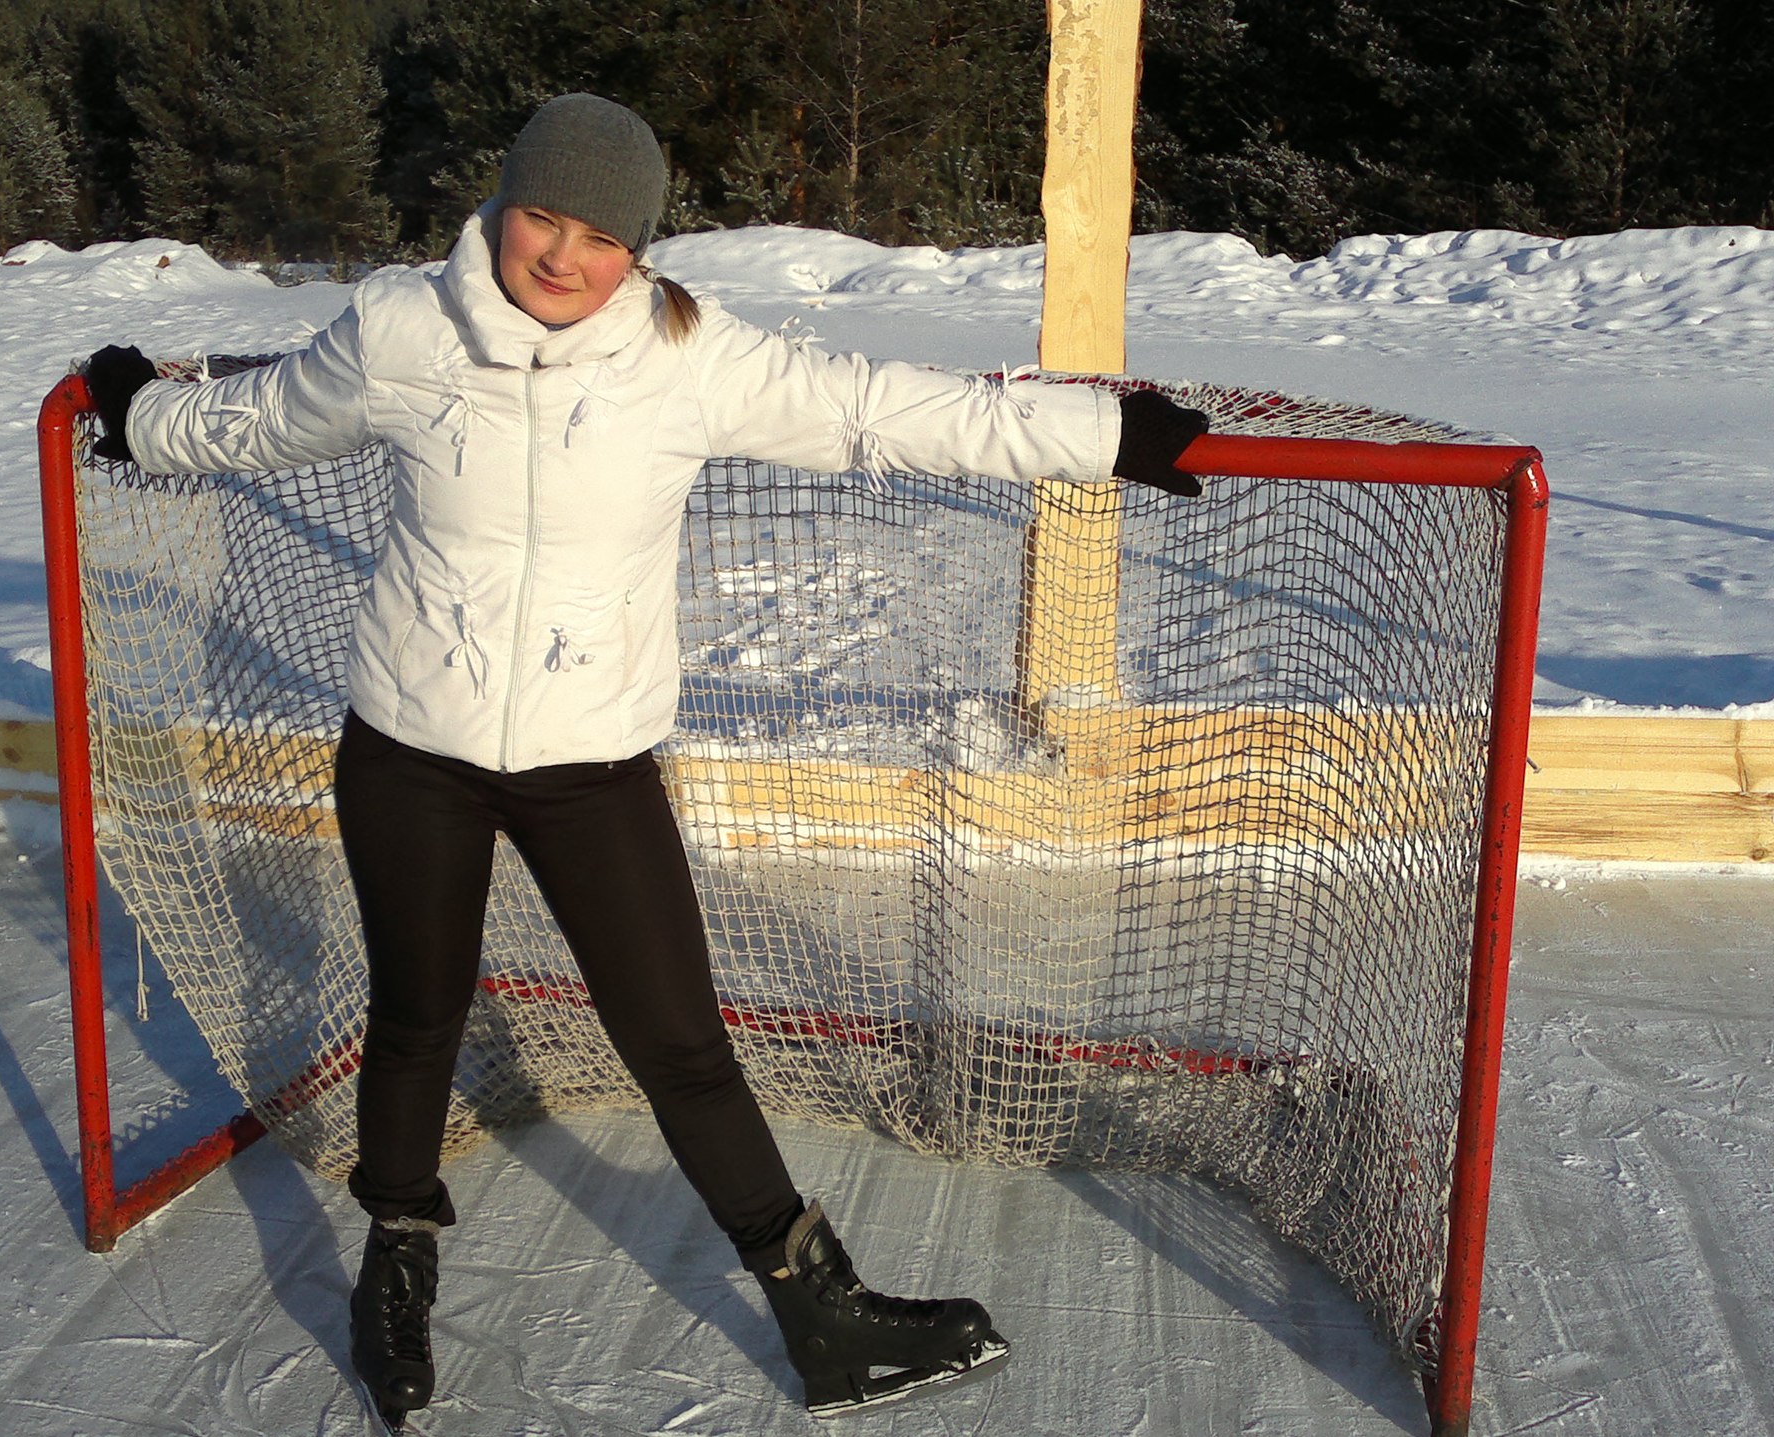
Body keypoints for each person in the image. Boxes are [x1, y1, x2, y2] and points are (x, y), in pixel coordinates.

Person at [84, 92, 1209, 1430]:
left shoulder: (687, 356)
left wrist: (1101, 436)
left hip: (591, 766)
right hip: (409, 751)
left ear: (640, 250)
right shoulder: (400, 330)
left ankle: (819, 1310)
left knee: (679, 1040)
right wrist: (140, 416)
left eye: (603, 236)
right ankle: (396, 1262)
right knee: (416, 1014)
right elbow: (255, 423)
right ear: (502, 205)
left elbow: (875, 412)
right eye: (543, 218)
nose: (564, 256)